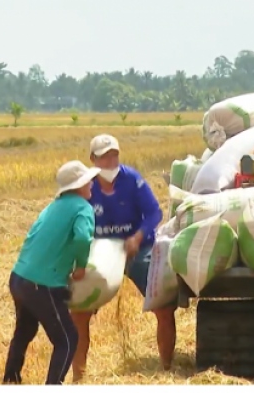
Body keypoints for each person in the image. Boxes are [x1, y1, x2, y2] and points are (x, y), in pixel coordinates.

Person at [69, 134, 169, 381]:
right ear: (93, 160)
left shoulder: (132, 179)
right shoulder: (85, 187)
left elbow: (155, 212)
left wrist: (138, 237)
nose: (111, 161)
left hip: (135, 247)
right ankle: (78, 378)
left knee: (163, 305)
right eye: (104, 157)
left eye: (114, 155)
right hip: (99, 251)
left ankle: (168, 370)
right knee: (79, 313)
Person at [3, 160, 100, 385]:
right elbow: (83, 238)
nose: (92, 184)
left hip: (19, 277)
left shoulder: (53, 206)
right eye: (88, 180)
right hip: (42, 285)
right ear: (78, 185)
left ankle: (10, 379)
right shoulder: (83, 208)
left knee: (25, 331)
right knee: (67, 339)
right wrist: (81, 267)